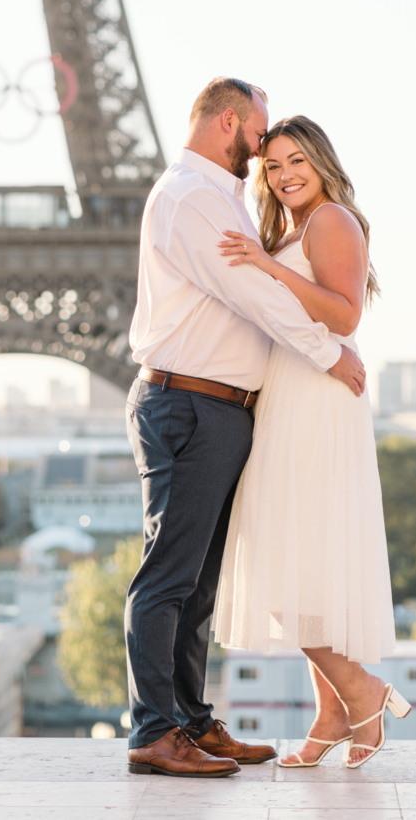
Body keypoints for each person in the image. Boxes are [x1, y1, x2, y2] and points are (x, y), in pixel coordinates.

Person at [124, 80, 367, 779]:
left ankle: (190, 723)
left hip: (221, 408)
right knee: (169, 577)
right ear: (228, 121)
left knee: (194, 582)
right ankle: (155, 731)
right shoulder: (191, 196)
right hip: (190, 404)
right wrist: (327, 353)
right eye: (259, 137)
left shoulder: (223, 197)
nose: (264, 153)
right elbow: (251, 293)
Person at [212, 115, 409, 769]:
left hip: (316, 398)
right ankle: (330, 714)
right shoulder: (292, 228)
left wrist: (269, 267)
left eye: (295, 160)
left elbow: (344, 312)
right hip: (291, 394)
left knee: (285, 563)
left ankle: (362, 691)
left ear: (320, 162)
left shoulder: (329, 221)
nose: (284, 174)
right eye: (271, 166)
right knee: (303, 561)